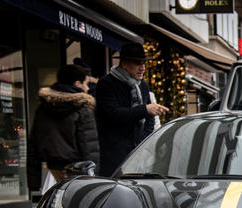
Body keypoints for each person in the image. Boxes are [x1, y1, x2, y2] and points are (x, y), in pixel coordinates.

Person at [95, 42, 169, 176]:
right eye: (137, 63)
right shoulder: (107, 83)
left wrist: (141, 146)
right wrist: (145, 109)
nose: (142, 68)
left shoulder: (143, 85)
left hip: (138, 154)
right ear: (124, 64)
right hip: (114, 156)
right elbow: (114, 113)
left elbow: (149, 121)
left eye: (143, 64)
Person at [27, 64, 100, 191]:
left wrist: (34, 181)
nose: (87, 88)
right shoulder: (83, 110)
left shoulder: (43, 108)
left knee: (62, 195)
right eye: (86, 83)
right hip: (77, 167)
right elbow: (88, 146)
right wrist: (95, 177)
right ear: (77, 84)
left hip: (53, 164)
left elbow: (33, 143)